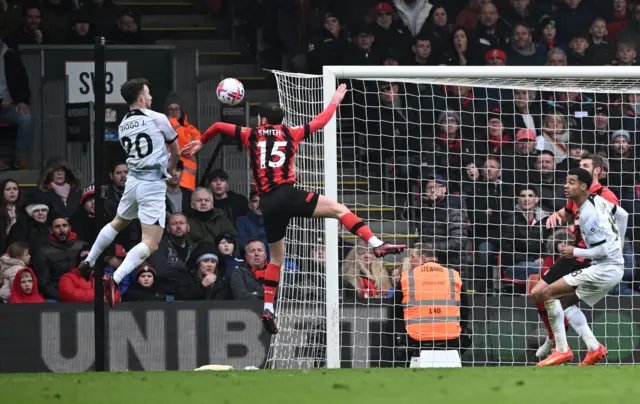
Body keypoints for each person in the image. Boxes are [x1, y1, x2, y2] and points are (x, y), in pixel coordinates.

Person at [182, 84, 406, 334]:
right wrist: (335, 99)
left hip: (266, 202)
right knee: (340, 210)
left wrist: (201, 143)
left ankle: (268, 307)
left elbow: (218, 127)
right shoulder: (293, 132)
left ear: (262, 119)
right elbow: (322, 120)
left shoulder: (250, 133)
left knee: (275, 258)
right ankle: (377, 244)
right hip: (289, 195)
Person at [79, 78, 181, 307]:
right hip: (151, 183)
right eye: (150, 93)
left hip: (132, 180)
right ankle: (114, 279)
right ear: (142, 98)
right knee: (151, 242)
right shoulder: (157, 117)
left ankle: (90, 260)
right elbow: (175, 150)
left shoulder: (123, 122)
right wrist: (169, 168)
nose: (152, 98)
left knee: (118, 222)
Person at [532, 168, 628, 367]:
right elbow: (624, 215)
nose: (566, 186)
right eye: (566, 181)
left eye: (572, 182)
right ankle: (594, 348)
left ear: (584, 186)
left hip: (605, 267)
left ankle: (562, 349)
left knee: (548, 293)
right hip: (611, 266)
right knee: (565, 302)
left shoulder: (588, 215)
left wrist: (574, 251)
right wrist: (618, 242)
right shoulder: (597, 200)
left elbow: (601, 251)